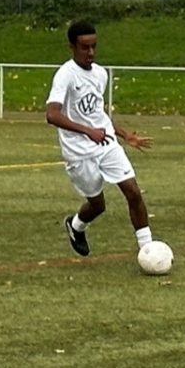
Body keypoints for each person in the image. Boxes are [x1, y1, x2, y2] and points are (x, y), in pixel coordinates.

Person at [45, 20, 156, 257]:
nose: (91, 52)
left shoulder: (100, 74)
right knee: (98, 206)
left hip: (106, 145)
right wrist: (87, 131)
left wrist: (125, 135)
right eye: (85, 47)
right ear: (72, 47)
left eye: (94, 46)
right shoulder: (65, 76)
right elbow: (52, 115)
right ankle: (75, 226)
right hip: (79, 151)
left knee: (133, 192)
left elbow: (97, 113)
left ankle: (147, 249)